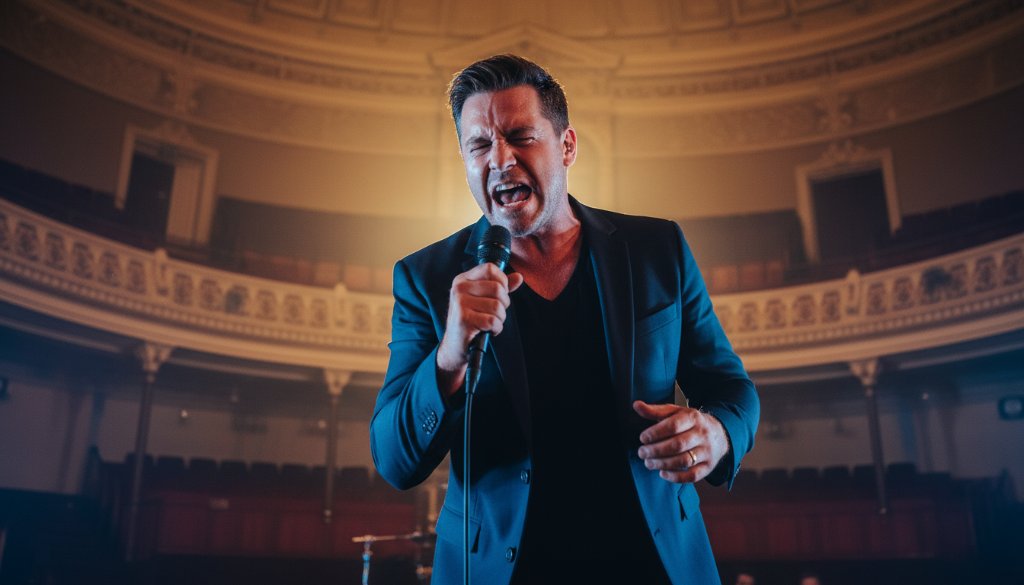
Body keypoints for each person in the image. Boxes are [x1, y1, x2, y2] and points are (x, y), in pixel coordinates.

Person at [370, 54, 759, 584]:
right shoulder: (425, 278)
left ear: (567, 146)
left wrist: (717, 434)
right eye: (479, 145)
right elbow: (395, 462)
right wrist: (449, 355)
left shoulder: (655, 248)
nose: (500, 160)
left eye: (520, 136)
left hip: (653, 563)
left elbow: (731, 387)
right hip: (505, 572)